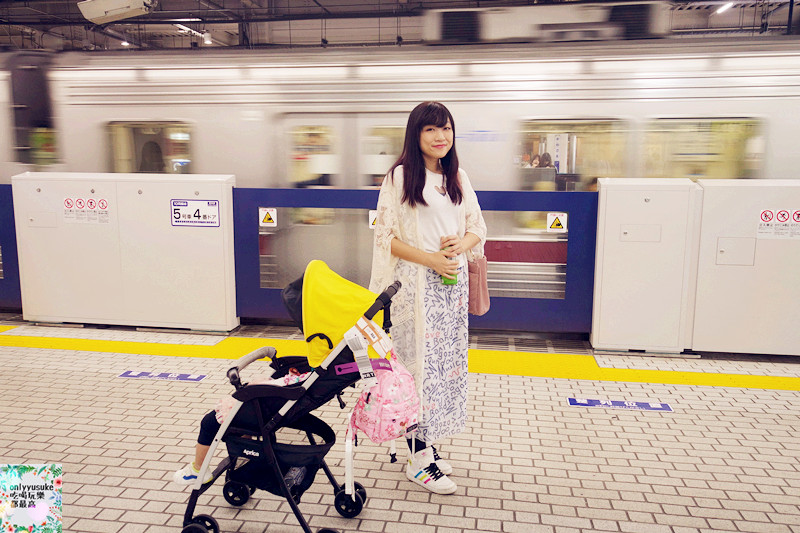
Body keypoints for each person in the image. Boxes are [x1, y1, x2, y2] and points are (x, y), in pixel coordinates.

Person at [369, 101, 487, 495]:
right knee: (418, 372)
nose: (441, 137)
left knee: (443, 371)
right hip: (416, 289)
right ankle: (418, 461)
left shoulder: (457, 177)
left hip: (449, 291)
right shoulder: (401, 177)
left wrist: (460, 243)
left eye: (446, 129)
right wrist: (432, 259)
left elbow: (477, 228)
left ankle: (429, 448)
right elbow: (387, 238)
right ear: (415, 135)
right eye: (431, 130)